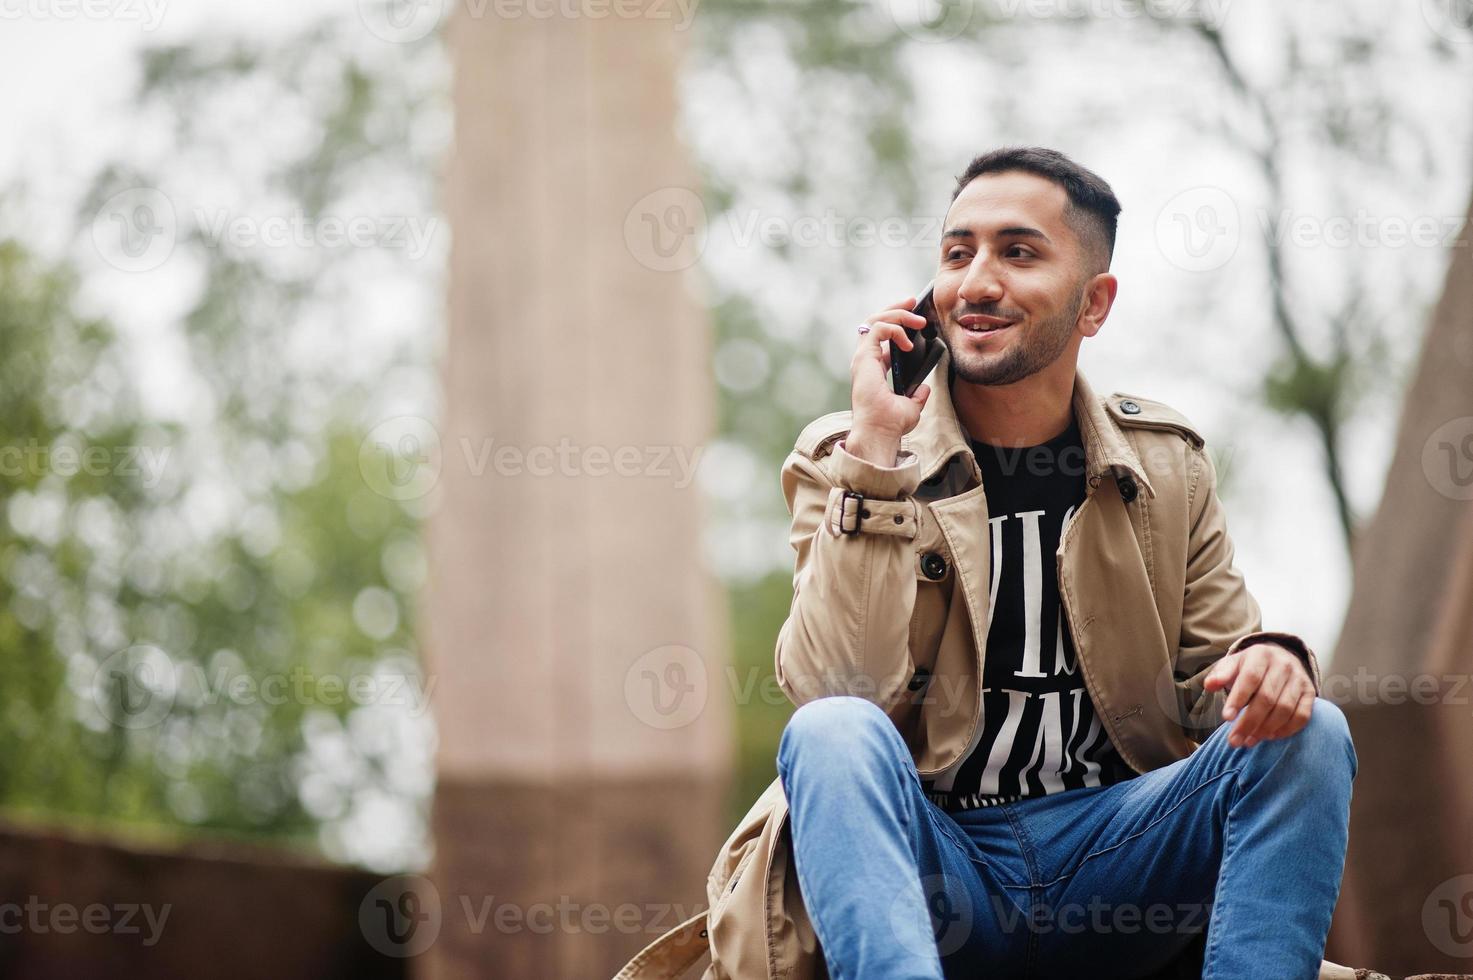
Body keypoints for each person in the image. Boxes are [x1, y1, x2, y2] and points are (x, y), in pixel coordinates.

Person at [768, 146, 1357, 979]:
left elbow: (1214, 683)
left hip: (1121, 861)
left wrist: (1270, 662)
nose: (974, 281)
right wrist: (876, 448)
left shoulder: (1165, 465)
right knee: (830, 731)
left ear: (1093, 303)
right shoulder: (849, 455)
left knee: (1309, 732)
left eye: (1017, 252)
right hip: (939, 866)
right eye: (955, 252)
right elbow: (838, 690)